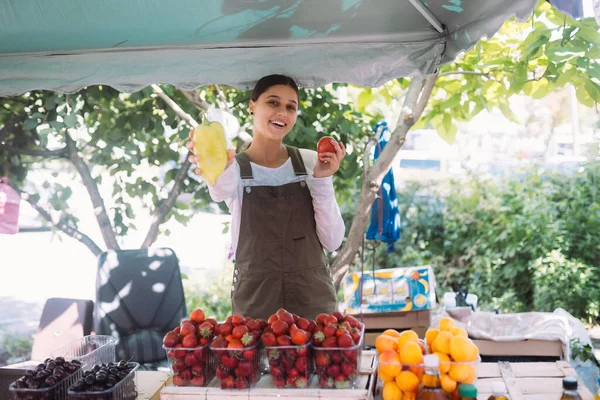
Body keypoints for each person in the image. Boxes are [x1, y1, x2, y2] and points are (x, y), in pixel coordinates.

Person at [186, 74, 346, 320]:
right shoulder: (234, 169)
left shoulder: (311, 162)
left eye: (291, 107)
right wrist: (213, 160)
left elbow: (333, 241)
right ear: (252, 105)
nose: (282, 112)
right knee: (257, 360)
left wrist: (323, 178)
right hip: (255, 301)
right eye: (273, 102)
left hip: (313, 299)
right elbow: (220, 190)